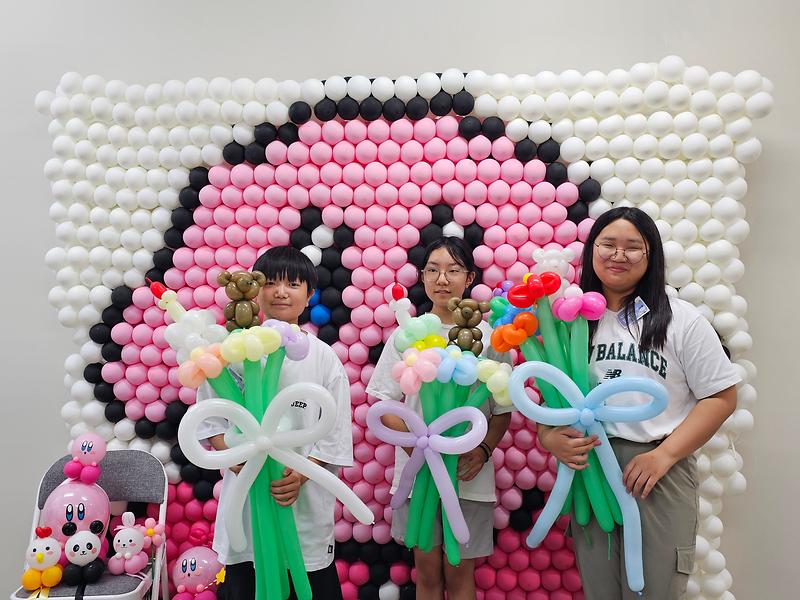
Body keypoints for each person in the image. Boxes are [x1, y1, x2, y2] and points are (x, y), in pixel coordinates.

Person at [537, 207, 739, 600]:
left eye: (633, 247)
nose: (618, 255)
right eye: (608, 244)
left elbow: (721, 396)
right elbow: (555, 398)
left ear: (651, 256)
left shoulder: (682, 320)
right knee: (600, 589)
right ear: (592, 252)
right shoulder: (570, 322)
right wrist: (549, 437)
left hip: (657, 471)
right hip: (590, 472)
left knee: (654, 589)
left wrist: (664, 455)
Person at [196, 246, 353, 600]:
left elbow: (334, 433)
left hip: (304, 506)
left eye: (293, 284)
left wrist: (300, 475)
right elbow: (210, 419)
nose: (281, 292)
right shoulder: (230, 352)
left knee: (308, 585)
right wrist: (237, 460)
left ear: (309, 296)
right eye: (270, 283)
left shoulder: (323, 358)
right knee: (247, 582)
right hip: (246, 503)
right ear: (254, 290)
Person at [367, 236, 513, 600]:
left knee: (461, 576)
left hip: (468, 476)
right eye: (432, 270)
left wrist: (482, 451)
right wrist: (421, 446)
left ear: (470, 277)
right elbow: (384, 404)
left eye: (453, 270)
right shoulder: (408, 334)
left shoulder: (490, 338)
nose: (442, 279)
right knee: (428, 575)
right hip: (417, 476)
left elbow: (501, 410)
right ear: (422, 277)